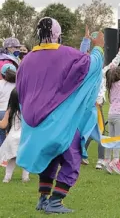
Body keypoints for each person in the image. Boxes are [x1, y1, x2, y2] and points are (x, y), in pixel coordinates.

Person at [16, 17, 105, 214]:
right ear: (59, 34)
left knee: (50, 158)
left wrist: (86, 43)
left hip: (36, 124)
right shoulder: (66, 54)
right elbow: (89, 65)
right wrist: (98, 48)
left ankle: (43, 198)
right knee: (71, 160)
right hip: (60, 121)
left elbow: (21, 90)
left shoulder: (26, 60)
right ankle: (55, 201)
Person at [79, 27, 120, 169]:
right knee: (98, 131)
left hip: (96, 105)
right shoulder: (87, 73)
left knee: (90, 130)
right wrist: (86, 41)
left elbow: (113, 64)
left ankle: (82, 154)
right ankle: (100, 159)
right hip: (91, 105)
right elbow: (83, 56)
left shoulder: (102, 72)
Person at [0, 89, 30, 183]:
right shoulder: (28, 109)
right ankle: (25, 177)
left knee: (12, 158)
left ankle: (7, 177)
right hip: (25, 137)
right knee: (26, 157)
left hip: (13, 137)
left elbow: (3, 125)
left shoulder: (10, 110)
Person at [0, 63, 17, 147]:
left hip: (1, 112)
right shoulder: (18, 85)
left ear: (2, 74)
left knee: (1, 135)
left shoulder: (0, 84)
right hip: (15, 112)